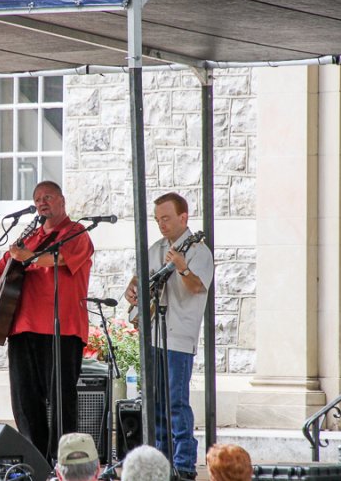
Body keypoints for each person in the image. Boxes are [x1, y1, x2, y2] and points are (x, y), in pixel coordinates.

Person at [0, 181, 94, 461]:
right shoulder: (28, 236)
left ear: (62, 201)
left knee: (61, 401)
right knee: (25, 402)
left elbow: (58, 259)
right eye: (37, 199)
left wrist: (28, 257)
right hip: (21, 328)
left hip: (61, 329)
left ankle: (63, 463)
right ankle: (37, 462)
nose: (42, 202)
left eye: (48, 197)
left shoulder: (76, 232)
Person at [123, 192, 214, 481]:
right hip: (154, 334)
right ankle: (161, 463)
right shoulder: (156, 248)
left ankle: (184, 464)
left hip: (179, 337)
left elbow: (197, 287)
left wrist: (182, 267)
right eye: (158, 219)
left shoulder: (199, 251)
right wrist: (132, 289)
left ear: (183, 217)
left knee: (176, 401)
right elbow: (140, 278)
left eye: (166, 218)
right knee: (156, 403)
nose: (161, 224)